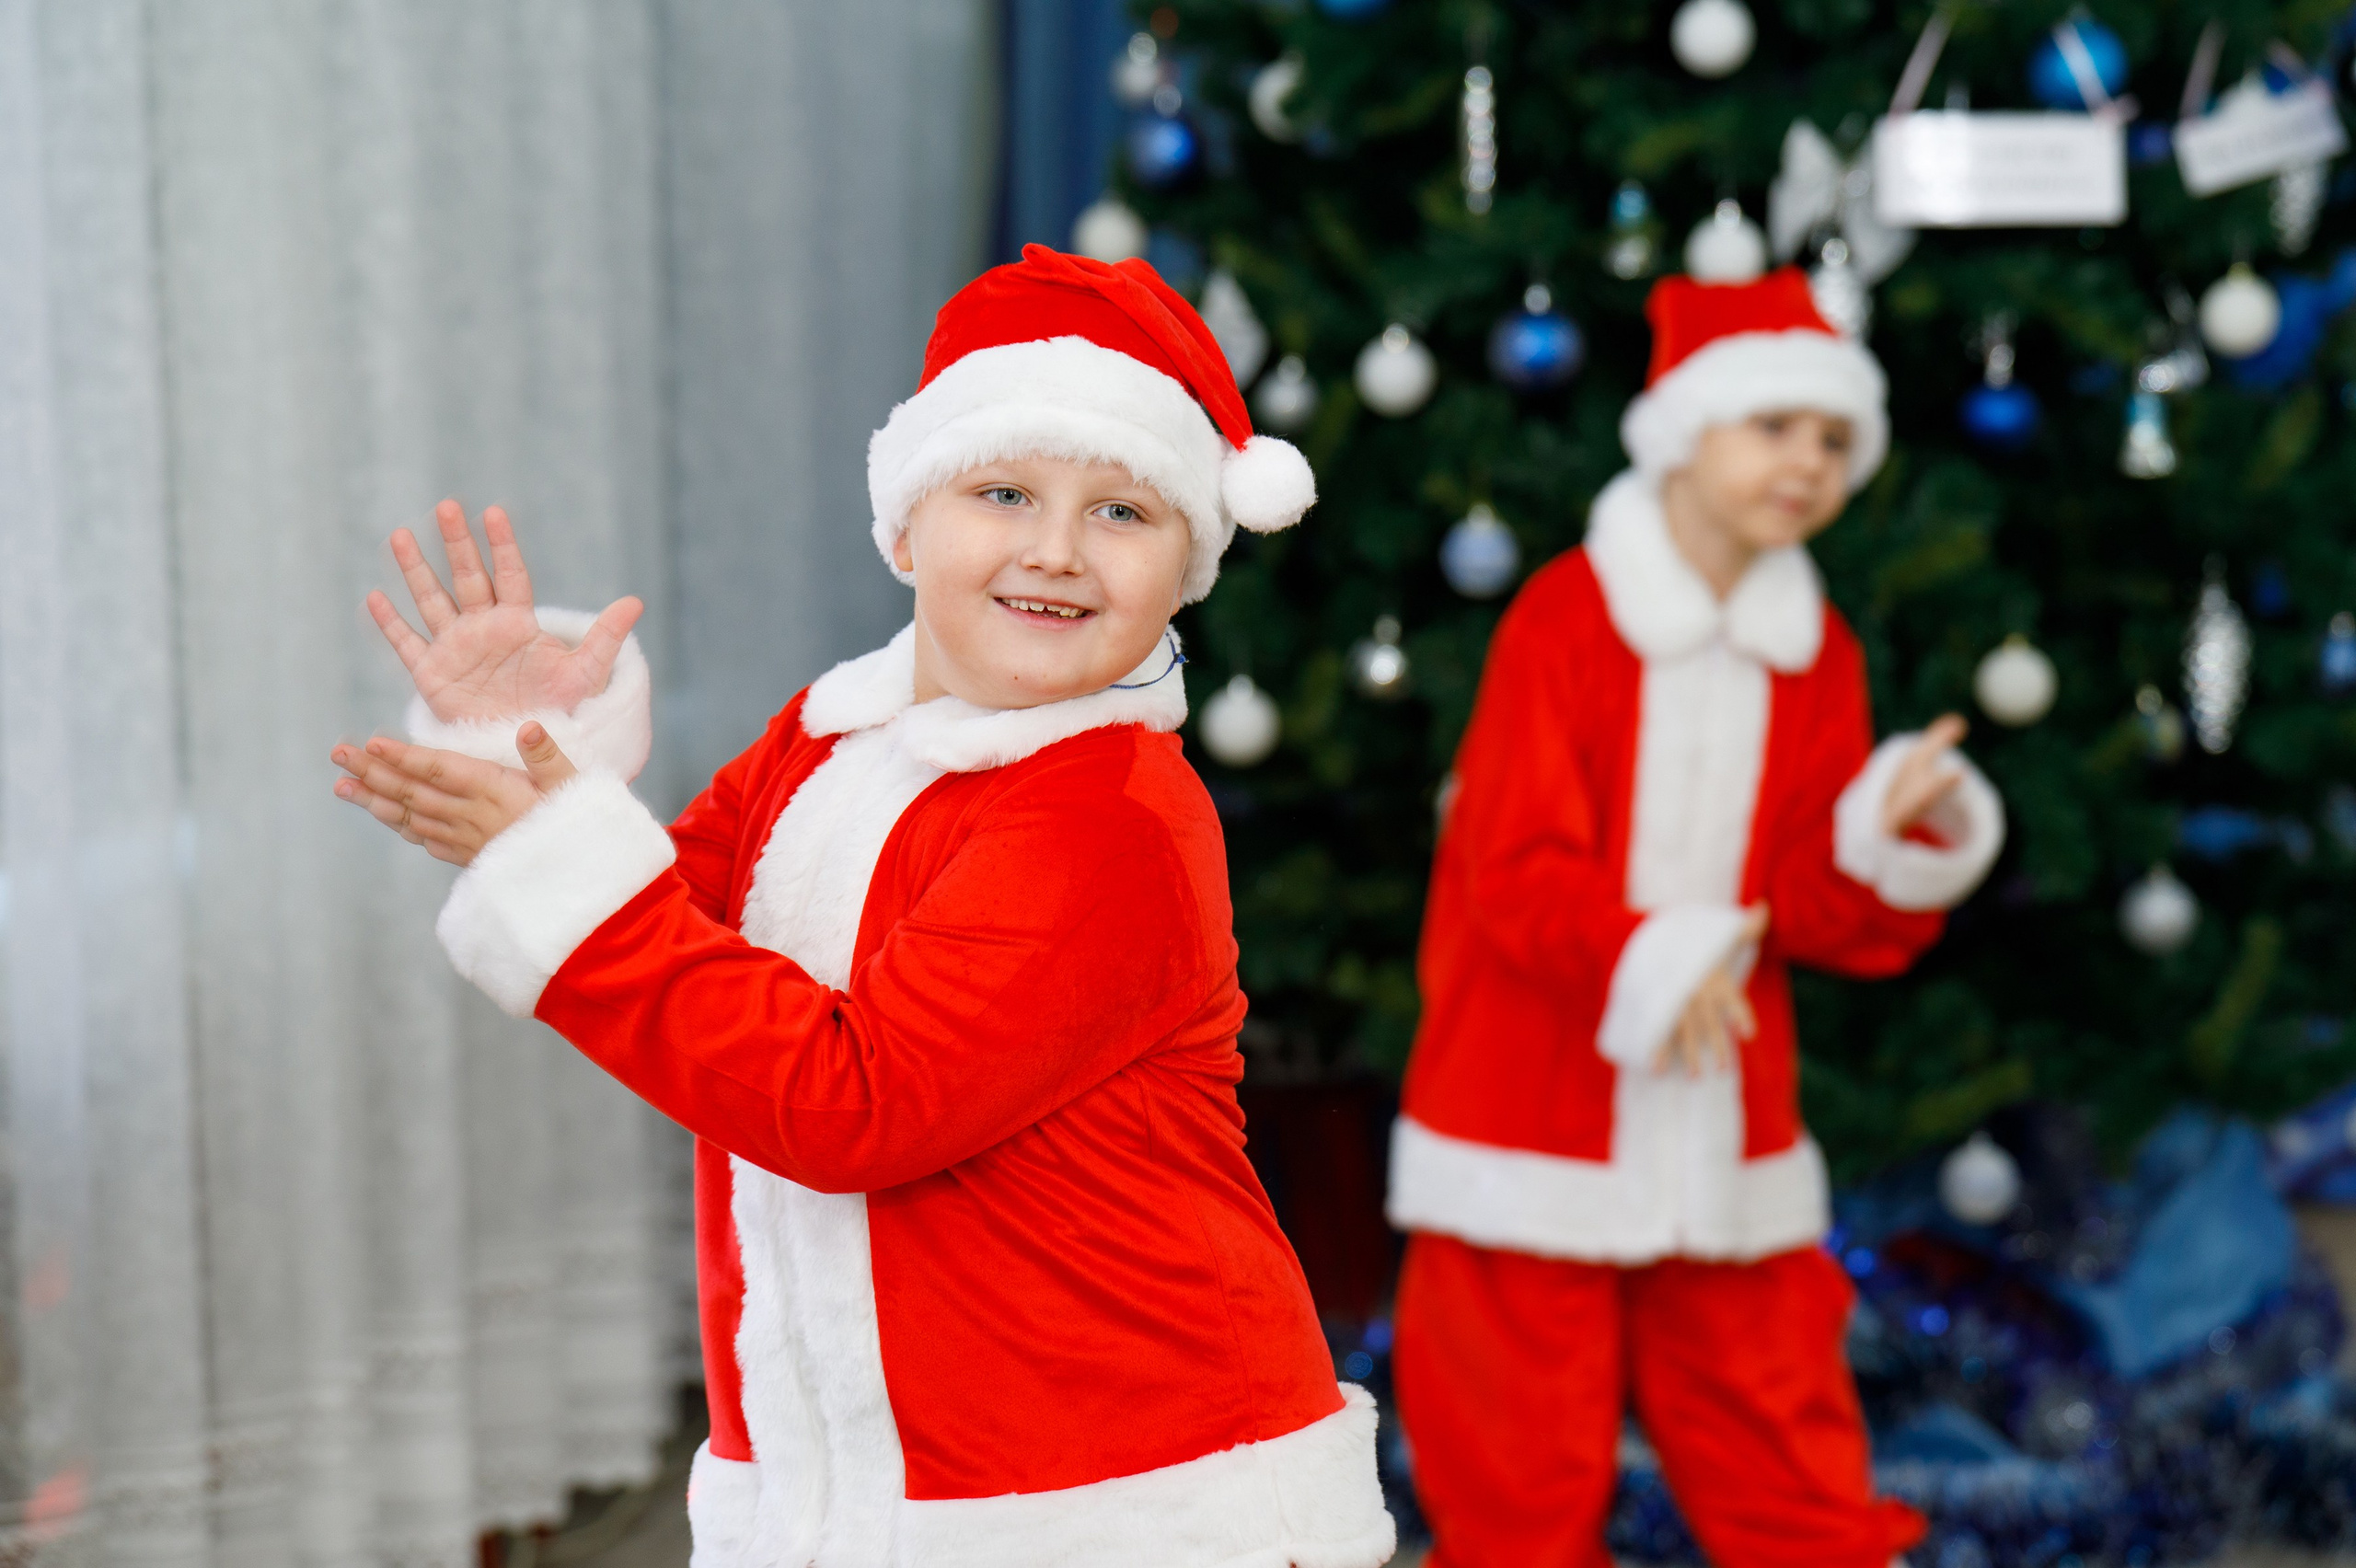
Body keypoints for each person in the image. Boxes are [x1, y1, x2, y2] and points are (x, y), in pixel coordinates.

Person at [330, 246, 1396, 1568]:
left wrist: (558, 864)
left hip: (1126, 1491)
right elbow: (677, 933)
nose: (1057, 550)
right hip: (885, 1482)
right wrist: (532, 764)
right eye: (1004, 491)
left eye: (1123, 512)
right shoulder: (831, 740)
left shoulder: (1109, 817)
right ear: (904, 526)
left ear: (1188, 567)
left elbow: (852, 1101)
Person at [1385, 266, 2006, 1568]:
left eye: (1833, 438)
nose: (1809, 462)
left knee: (1768, 1387)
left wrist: (1894, 832)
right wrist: (1655, 960)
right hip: (1530, 1093)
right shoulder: (1566, 619)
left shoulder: (1817, 651)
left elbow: (1810, 902)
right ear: (1683, 432)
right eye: (1774, 426)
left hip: (1727, 1096)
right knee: (1514, 1424)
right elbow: (1511, 865)